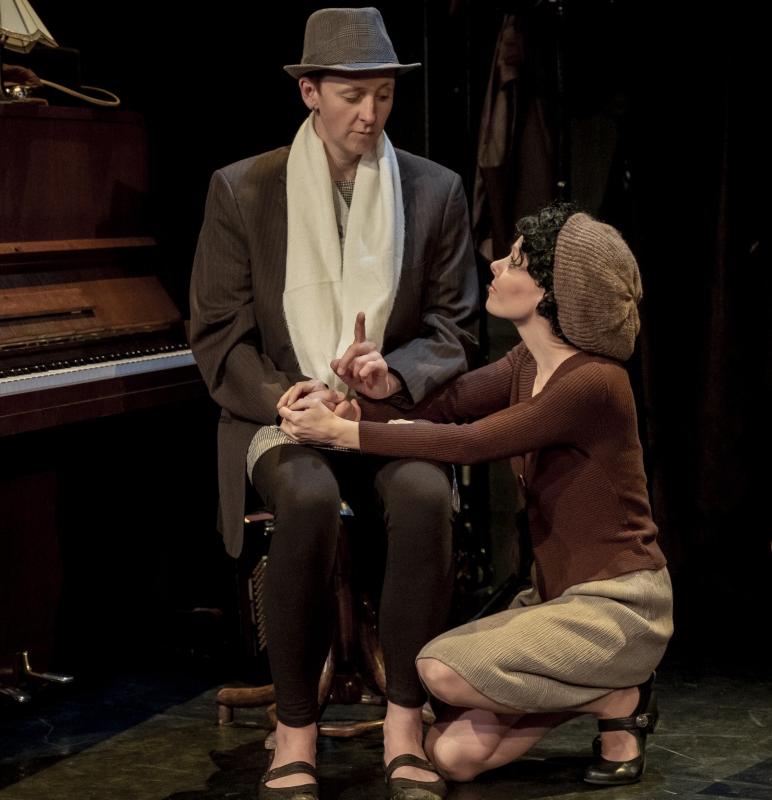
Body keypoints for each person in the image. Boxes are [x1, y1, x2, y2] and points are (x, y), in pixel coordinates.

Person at [278, 201, 674, 787]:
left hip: (619, 607)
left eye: (515, 260)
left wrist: (343, 434)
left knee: (439, 670)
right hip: (553, 601)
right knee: (452, 755)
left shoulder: (594, 382)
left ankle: (618, 696)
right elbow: (450, 404)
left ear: (548, 292)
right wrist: (361, 401)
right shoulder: (525, 363)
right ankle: (609, 697)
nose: (495, 266)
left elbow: (470, 442)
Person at [188, 7, 480, 800]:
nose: (370, 114)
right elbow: (218, 334)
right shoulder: (244, 190)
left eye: (383, 95)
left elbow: (455, 327)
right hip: (281, 416)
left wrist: (392, 376)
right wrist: (288, 394)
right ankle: (295, 731)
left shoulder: (434, 189)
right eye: (352, 96)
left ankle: (404, 724)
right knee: (310, 496)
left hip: (382, 417)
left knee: (424, 495)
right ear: (310, 92)